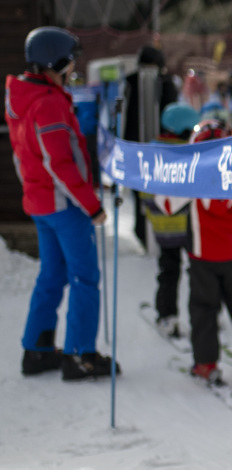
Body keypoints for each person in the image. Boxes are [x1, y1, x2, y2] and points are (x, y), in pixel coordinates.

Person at [6, 26, 120, 380]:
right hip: (64, 206)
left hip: (41, 203)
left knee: (52, 275)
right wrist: (93, 207)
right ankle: (80, 355)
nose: (73, 70)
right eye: (70, 63)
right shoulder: (50, 103)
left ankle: (37, 350)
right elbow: (61, 164)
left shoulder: (23, 97)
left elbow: (23, 156)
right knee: (86, 277)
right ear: (55, 61)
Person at [184, 119, 232, 383]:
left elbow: (166, 203)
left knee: (204, 309)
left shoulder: (190, 178)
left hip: (202, 256)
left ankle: (206, 362)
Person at [140, 102, 202, 338]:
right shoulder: (190, 153)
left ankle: (166, 315)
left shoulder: (151, 153)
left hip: (162, 227)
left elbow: (145, 191)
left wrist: (153, 213)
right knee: (198, 271)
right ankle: (204, 314)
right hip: (189, 225)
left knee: (168, 270)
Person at [123, 45, 179, 251]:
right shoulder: (165, 84)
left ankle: (144, 235)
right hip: (160, 151)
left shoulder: (129, 83)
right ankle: (157, 237)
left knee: (140, 194)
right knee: (156, 194)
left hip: (134, 150)